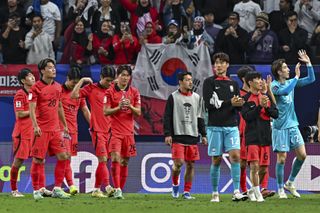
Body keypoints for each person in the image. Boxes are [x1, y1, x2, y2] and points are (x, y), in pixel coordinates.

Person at [271, 50, 315, 199]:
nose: (288, 69)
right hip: (279, 126)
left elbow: (311, 79)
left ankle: (290, 182)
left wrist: (308, 63)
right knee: (282, 158)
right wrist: (296, 77)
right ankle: (280, 189)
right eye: (285, 68)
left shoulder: (291, 82)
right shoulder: (274, 86)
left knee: (302, 155)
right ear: (279, 71)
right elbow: (284, 91)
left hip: (292, 124)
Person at [203, 52, 245, 202]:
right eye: (216, 63)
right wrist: (230, 103)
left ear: (227, 65)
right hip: (215, 126)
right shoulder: (209, 82)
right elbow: (209, 105)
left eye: (221, 62)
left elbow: (237, 106)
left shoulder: (233, 84)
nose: (218, 65)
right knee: (216, 159)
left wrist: (240, 105)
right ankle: (215, 193)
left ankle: (236, 191)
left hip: (232, 126)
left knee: (236, 157)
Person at [71, 65, 116, 198]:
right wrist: (82, 80)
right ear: (101, 77)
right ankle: (107, 186)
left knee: (105, 161)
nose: (109, 83)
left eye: (111, 81)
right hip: (97, 130)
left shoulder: (113, 90)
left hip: (110, 131)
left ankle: (96, 189)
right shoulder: (91, 88)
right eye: (107, 80)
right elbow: (74, 95)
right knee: (102, 158)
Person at [29, 58, 70, 200]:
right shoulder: (35, 88)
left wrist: (64, 125)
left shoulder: (58, 87)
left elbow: (59, 106)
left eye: (54, 67)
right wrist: (35, 126)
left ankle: (57, 188)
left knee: (64, 156)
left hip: (55, 129)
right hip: (41, 130)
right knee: (38, 160)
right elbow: (32, 108)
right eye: (50, 67)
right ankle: (36, 190)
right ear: (42, 71)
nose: (53, 70)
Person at [163, 71, 207, 199]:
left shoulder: (197, 98)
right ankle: (175, 185)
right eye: (187, 80)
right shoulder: (173, 97)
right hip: (178, 135)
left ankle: (187, 192)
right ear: (180, 82)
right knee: (178, 164)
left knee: (191, 164)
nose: (190, 82)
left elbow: (200, 118)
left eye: (191, 80)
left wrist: (203, 134)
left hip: (192, 136)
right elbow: (167, 117)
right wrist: (167, 134)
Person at [104, 65, 141, 199]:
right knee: (115, 158)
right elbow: (106, 111)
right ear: (117, 76)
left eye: (127, 75)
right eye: (122, 75)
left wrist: (129, 106)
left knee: (125, 162)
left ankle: (120, 189)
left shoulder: (134, 92)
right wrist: (118, 107)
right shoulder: (110, 92)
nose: (125, 78)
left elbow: (138, 112)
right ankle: (118, 189)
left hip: (129, 133)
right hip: (115, 132)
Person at [241, 71, 279, 202]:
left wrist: (266, 107)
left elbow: (275, 114)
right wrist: (259, 107)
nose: (260, 81)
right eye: (257, 79)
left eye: (260, 79)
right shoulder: (245, 99)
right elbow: (247, 116)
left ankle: (252, 191)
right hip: (252, 137)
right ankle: (258, 196)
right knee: (254, 166)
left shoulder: (266, 97)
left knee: (263, 169)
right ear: (250, 82)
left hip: (265, 137)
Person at [60, 67, 91, 195]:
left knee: (69, 159)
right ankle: (71, 185)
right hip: (61, 130)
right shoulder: (59, 91)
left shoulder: (78, 93)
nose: (75, 86)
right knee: (65, 158)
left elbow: (85, 110)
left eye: (77, 83)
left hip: (74, 131)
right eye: (73, 83)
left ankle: (64, 186)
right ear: (67, 79)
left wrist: (93, 126)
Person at [10, 68, 35, 197]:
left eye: (33, 75)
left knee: (39, 160)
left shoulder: (35, 93)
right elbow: (19, 114)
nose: (33, 78)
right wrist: (34, 111)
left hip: (32, 133)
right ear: (23, 80)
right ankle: (14, 190)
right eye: (30, 76)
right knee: (18, 161)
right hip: (22, 134)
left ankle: (38, 188)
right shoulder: (20, 94)